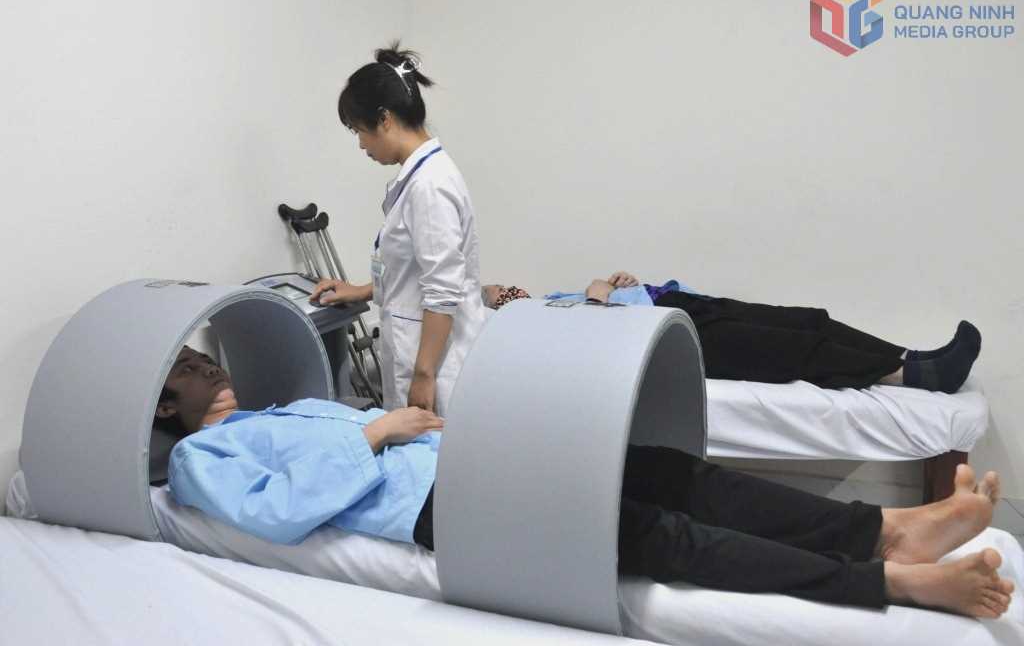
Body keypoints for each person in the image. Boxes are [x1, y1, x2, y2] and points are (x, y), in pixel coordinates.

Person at [161, 346, 1013, 618]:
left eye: (210, 360)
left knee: (673, 472)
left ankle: (884, 529)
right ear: (169, 406)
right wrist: (379, 431)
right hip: (438, 507)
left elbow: (377, 435)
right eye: (193, 371)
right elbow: (278, 514)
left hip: (474, 460)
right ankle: (892, 580)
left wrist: (422, 426)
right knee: (656, 534)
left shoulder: (287, 407)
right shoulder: (199, 462)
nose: (213, 370)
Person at [308, 43, 486, 416]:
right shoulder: (422, 176)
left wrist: (423, 375)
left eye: (359, 131)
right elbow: (415, 272)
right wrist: (360, 290)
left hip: (436, 369)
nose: (361, 145)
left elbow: (442, 290)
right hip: (421, 354)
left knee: (430, 451)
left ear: (385, 119)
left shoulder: (429, 186)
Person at [482, 273, 982, 393]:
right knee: (790, 348)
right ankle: (913, 377)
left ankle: (914, 356)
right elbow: (588, 344)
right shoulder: (522, 329)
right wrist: (597, 299)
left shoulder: (546, 303)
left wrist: (619, 286)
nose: (506, 289)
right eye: (505, 294)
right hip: (660, 340)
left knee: (808, 320)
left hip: (670, 305)